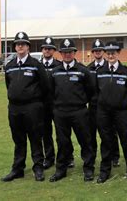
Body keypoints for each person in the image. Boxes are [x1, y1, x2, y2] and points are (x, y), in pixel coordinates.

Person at [2, 32, 48, 182]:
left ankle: (38, 168)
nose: (20, 46)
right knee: (18, 139)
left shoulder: (36, 65)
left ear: (28, 46)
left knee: (35, 138)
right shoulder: (9, 66)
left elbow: (45, 86)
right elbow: (9, 85)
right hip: (15, 108)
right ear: (15, 47)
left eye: (23, 44)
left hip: (32, 107)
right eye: (17, 44)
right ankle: (18, 169)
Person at [48, 38, 96, 182]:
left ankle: (88, 169)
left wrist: (80, 103)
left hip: (79, 111)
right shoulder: (54, 72)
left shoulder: (83, 70)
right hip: (60, 112)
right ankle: (61, 170)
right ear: (61, 53)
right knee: (62, 142)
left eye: (70, 52)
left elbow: (91, 90)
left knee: (85, 141)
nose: (67, 55)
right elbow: (50, 92)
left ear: (74, 52)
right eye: (64, 52)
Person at [96, 42, 127, 183]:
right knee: (106, 142)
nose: (111, 55)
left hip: (121, 112)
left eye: (113, 53)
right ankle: (104, 172)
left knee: (126, 140)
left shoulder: (125, 71)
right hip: (104, 113)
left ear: (118, 54)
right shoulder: (100, 71)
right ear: (105, 54)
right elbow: (95, 91)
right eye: (108, 53)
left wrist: (124, 102)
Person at [87, 39, 121, 167]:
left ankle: (115, 156)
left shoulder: (110, 65)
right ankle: (92, 157)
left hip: (107, 106)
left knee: (110, 132)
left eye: (99, 50)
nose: (97, 52)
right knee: (92, 133)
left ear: (104, 52)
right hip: (93, 106)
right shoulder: (88, 68)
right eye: (95, 51)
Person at [40, 36, 62, 170]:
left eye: (50, 49)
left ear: (54, 50)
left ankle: (66, 157)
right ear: (42, 50)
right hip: (42, 105)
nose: (47, 51)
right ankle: (49, 158)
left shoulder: (59, 65)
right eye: (45, 48)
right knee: (45, 133)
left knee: (61, 133)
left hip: (57, 104)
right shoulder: (37, 66)